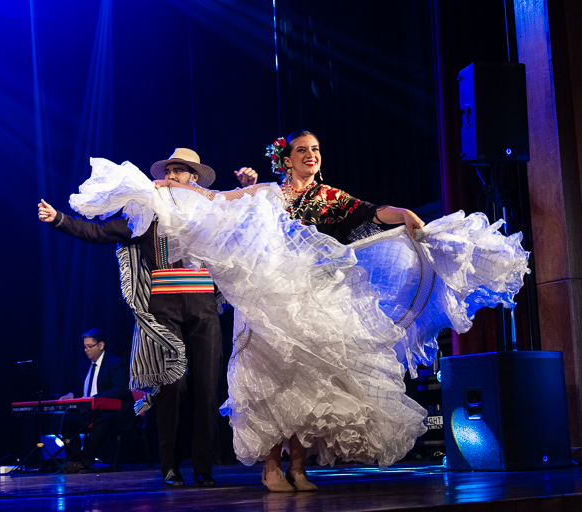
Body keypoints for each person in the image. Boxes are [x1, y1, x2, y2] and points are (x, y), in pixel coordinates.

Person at [65, 131, 530, 492]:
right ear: (286, 158)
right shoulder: (268, 192)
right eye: (303, 150)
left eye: (316, 150)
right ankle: (271, 465)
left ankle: (299, 463)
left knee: (311, 378)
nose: (312, 156)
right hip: (267, 297)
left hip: (310, 298)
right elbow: (214, 201)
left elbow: (371, 209)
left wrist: (405, 212)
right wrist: (173, 190)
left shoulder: (328, 198)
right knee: (272, 378)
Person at [38, 148, 223, 488]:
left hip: (204, 311)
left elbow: (242, 238)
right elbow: (100, 232)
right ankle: (170, 466)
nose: (172, 175)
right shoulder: (147, 215)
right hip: (162, 313)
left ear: (193, 177)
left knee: (207, 391)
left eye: (180, 170)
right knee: (171, 388)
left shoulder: (211, 214)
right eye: (169, 169)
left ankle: (204, 467)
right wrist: (60, 220)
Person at [57, 328, 134, 473]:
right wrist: (71, 394)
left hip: (112, 412)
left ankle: (85, 460)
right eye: (84, 347)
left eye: (90, 346)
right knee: (67, 421)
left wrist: (95, 398)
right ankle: (74, 459)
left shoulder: (116, 364)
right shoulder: (85, 365)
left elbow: (121, 390)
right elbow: (79, 389)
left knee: (102, 420)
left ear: (101, 345)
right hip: (89, 411)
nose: (86, 350)